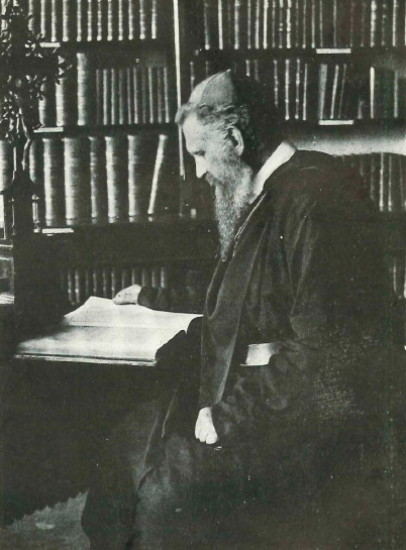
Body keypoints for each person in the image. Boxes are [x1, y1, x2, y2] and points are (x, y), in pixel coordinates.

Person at [82, 71, 404, 549]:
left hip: (299, 420)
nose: (198, 172)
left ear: (233, 139)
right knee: (122, 448)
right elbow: (249, 294)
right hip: (255, 393)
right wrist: (154, 297)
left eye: (199, 153)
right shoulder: (266, 189)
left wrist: (227, 418)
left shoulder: (317, 199)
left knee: (164, 493)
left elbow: (326, 354)